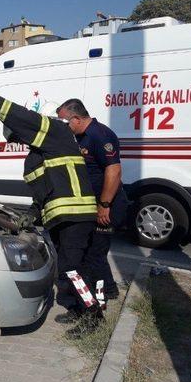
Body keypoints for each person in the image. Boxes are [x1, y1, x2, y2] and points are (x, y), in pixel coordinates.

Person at [0, 87, 100, 322]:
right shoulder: (38, 156)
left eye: (18, 137)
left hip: (76, 216)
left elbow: (21, 117)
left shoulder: (56, 132)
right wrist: (31, 215)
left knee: (72, 269)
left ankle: (92, 314)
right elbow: (43, 194)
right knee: (71, 267)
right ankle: (79, 308)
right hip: (63, 219)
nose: (19, 142)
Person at [56, 99, 127, 299]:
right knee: (94, 252)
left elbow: (114, 170)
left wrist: (104, 205)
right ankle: (109, 290)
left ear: (76, 119)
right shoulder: (80, 137)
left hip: (107, 206)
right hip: (94, 205)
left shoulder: (99, 135)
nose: (64, 127)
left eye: (65, 122)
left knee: (94, 254)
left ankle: (99, 299)